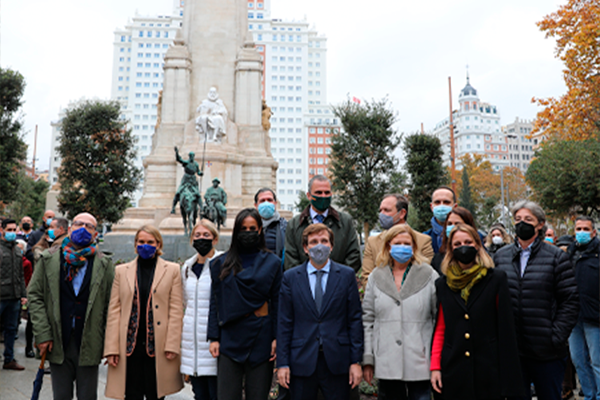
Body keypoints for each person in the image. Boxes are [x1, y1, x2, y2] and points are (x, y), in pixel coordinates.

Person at [494, 200, 579, 400]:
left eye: (528, 219)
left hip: (547, 352)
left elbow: (570, 300)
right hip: (514, 350)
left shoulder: (556, 257)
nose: (521, 223)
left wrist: (555, 336)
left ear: (540, 224)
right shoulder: (501, 256)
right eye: (517, 219)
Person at [28, 212, 115, 400]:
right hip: (57, 339)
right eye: (79, 224)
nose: (83, 229)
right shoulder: (48, 259)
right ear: (69, 229)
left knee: (87, 396)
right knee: (61, 395)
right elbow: (35, 295)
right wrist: (42, 333)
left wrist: (110, 345)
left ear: (95, 234)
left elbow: (112, 305)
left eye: (89, 226)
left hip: (90, 340)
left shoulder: (104, 264)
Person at [430, 224, 523, 399]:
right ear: (450, 249)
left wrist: (509, 379)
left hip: (488, 369)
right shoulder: (443, 284)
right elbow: (441, 328)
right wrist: (435, 367)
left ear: (478, 245)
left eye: (468, 242)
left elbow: (506, 329)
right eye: (457, 244)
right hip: (454, 369)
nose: (463, 247)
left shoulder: (495, 279)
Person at [277, 223, 363, 400]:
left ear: (331, 246)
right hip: (301, 360)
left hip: (337, 360)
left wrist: (356, 361)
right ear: (305, 248)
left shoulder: (346, 275)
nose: (319, 246)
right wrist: (282, 363)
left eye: (324, 241)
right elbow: (284, 322)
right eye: (314, 242)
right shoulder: (290, 277)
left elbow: (354, 320)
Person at [207, 208, 281, 400]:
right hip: (229, 337)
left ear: (260, 230)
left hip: (261, 338)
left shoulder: (273, 262)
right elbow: (215, 302)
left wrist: (276, 337)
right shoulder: (220, 264)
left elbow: (277, 303)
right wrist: (214, 337)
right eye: (243, 229)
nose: (248, 233)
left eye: (252, 228)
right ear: (236, 231)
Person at [104, 225, 184, 400]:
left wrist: (172, 345)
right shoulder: (121, 271)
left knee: (156, 394)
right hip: (129, 347)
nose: (145, 245)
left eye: (150, 242)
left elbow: (176, 310)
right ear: (135, 244)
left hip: (158, 346)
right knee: (132, 394)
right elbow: (114, 311)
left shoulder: (172, 270)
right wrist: (111, 348)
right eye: (141, 241)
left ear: (158, 244)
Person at [362, 224, 438, 400]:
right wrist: (368, 358)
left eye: (407, 244)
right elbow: (367, 319)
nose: (402, 247)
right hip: (386, 360)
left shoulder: (429, 275)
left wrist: (435, 359)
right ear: (388, 246)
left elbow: (437, 318)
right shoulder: (376, 276)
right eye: (397, 243)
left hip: (420, 360)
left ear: (414, 247)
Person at [181, 220, 223, 400]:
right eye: (197, 235)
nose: (201, 239)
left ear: (215, 239)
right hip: (192, 344)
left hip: (214, 342)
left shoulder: (223, 263)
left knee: (216, 394)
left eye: (206, 235)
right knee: (199, 394)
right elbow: (186, 302)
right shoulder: (187, 268)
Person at [284, 175, 361, 271]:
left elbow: (354, 255)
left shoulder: (345, 222)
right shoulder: (294, 225)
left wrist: (338, 276)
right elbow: (290, 259)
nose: (323, 196)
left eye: (327, 192)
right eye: (318, 192)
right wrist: (307, 277)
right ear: (309, 195)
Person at [360, 194, 434, 287]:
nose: (381, 215)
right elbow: (366, 278)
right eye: (380, 211)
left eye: (387, 210)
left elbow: (425, 277)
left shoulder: (423, 241)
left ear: (402, 213)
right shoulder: (373, 242)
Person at [567, 216, 600, 400]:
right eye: (578, 229)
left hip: (594, 317)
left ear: (593, 232)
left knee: (597, 362)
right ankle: (589, 395)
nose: (582, 232)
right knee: (578, 360)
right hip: (574, 317)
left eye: (586, 229)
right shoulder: (570, 253)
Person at [0, 219, 27, 370]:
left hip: (14, 297)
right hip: (1, 296)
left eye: (14, 230)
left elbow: (20, 275)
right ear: (2, 230)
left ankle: (9, 359)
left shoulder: (17, 250)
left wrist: (23, 294)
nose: (12, 233)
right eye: (9, 230)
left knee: (11, 329)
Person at [430, 206, 477, 274]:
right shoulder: (438, 260)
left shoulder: (480, 258)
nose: (452, 227)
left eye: (457, 224)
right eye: (449, 224)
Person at [254, 188, 287, 259]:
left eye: (269, 200)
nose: (266, 203)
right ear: (256, 205)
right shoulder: (250, 227)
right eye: (262, 201)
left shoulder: (285, 227)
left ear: (275, 203)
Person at [424, 186, 457, 254]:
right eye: (437, 202)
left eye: (446, 202)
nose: (441, 206)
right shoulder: (424, 239)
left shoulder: (471, 236)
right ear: (431, 207)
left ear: (455, 207)